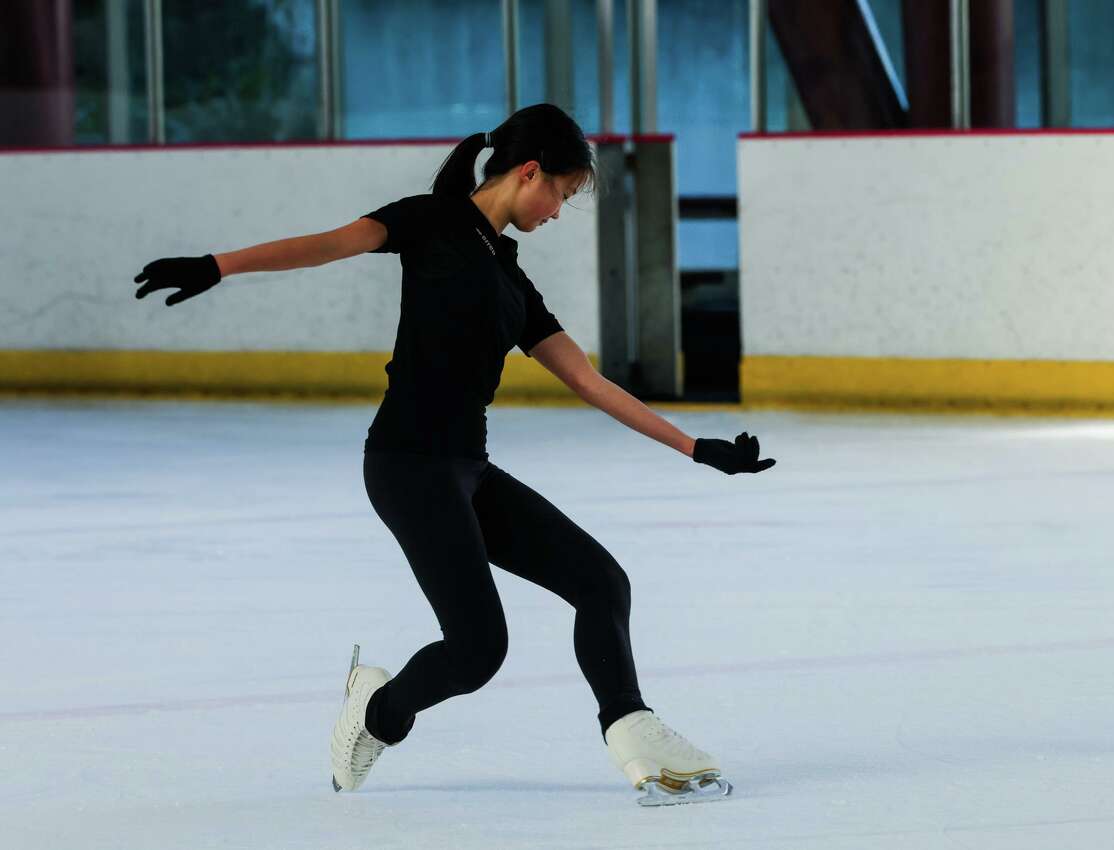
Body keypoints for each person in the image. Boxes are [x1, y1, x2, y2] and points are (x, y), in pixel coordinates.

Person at [133, 103, 775, 807]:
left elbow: (588, 380)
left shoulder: (511, 279)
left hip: (468, 469)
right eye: (559, 193)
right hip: (407, 465)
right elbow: (328, 244)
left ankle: (632, 729)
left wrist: (696, 448)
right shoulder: (429, 220)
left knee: (602, 582)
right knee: (478, 649)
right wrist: (217, 266)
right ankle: (377, 713)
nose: (558, 211)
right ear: (528, 172)